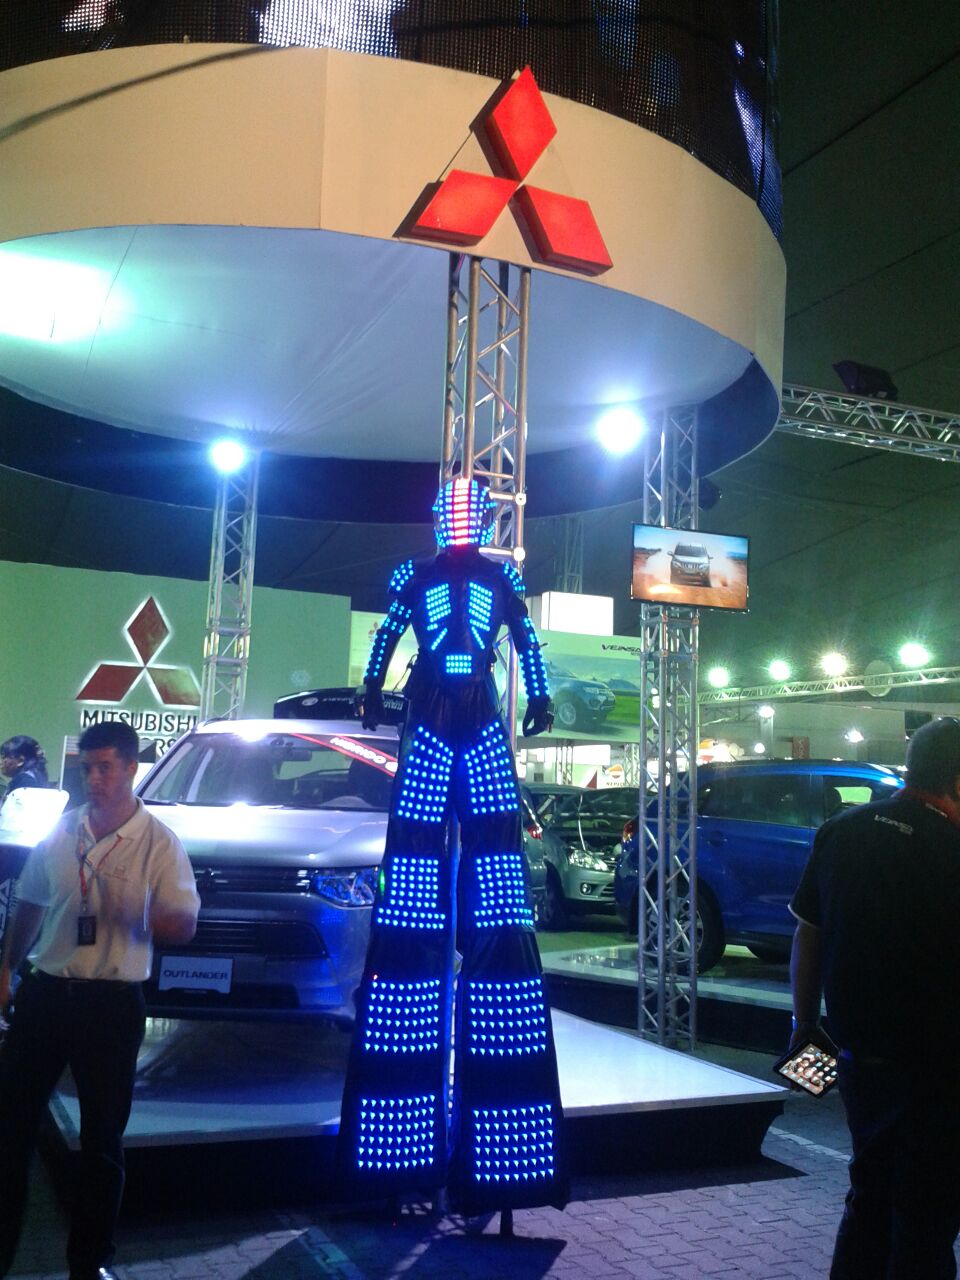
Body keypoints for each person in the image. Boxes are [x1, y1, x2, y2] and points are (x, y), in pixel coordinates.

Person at [336, 476, 566, 1216]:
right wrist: (373, 688)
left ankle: (477, 923)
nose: (462, 522)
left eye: (471, 515)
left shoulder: (497, 579)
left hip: (469, 714)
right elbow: (388, 634)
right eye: (455, 513)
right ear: (442, 520)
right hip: (435, 711)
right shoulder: (419, 576)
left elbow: (525, 640)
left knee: (491, 846)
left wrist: (541, 695)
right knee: (418, 851)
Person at [0, 720, 199, 1280]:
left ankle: (89, 1265)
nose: (94, 779)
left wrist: (143, 913)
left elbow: (184, 925)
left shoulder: (158, 843)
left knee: (101, 1141)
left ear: (131, 767)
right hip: (45, 995)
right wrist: (6, 968)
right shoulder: (63, 831)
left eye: (106, 767)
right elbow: (31, 904)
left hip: (111, 1005)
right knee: (10, 1130)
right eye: (87, 768)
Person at [789, 716, 960, 1279]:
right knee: (927, 1221)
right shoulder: (952, 848)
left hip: (858, 1062)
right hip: (938, 1073)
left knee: (868, 1200)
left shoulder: (841, 831)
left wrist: (804, 1023)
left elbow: (808, 934)